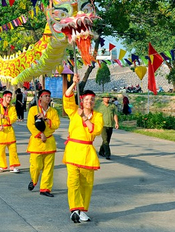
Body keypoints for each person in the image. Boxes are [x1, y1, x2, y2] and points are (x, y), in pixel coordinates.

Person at [63, 74, 103, 223]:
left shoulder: (97, 116)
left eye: (92, 100)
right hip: (73, 151)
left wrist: (85, 118)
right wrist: (74, 84)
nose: (89, 101)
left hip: (87, 153)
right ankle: (74, 209)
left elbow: (95, 130)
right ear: (82, 100)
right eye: (86, 99)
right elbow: (67, 97)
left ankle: (82, 210)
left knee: (86, 184)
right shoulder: (74, 111)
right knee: (73, 182)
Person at [26, 89, 60, 197]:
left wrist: (46, 120)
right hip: (37, 142)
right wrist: (40, 134)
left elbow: (56, 124)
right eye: (45, 96)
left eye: (49, 96)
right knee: (35, 166)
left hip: (49, 142)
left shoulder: (53, 112)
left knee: (48, 167)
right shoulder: (33, 110)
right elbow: (30, 125)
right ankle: (34, 180)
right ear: (40, 97)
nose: (48, 98)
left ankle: (45, 188)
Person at [0, 90, 20, 173]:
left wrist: (5, 117)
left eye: (10, 97)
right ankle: (2, 166)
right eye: (8, 97)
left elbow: (14, 118)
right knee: (1, 150)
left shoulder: (12, 108)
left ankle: (13, 166)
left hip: (9, 130)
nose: (9, 99)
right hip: (1, 131)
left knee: (13, 149)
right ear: (3, 97)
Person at [98, 94, 119, 160]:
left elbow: (115, 115)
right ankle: (108, 154)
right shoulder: (99, 106)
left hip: (110, 125)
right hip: (102, 125)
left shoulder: (112, 106)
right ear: (103, 98)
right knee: (105, 140)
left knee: (107, 140)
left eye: (108, 98)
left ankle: (101, 151)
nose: (108, 99)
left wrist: (116, 123)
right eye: (106, 97)